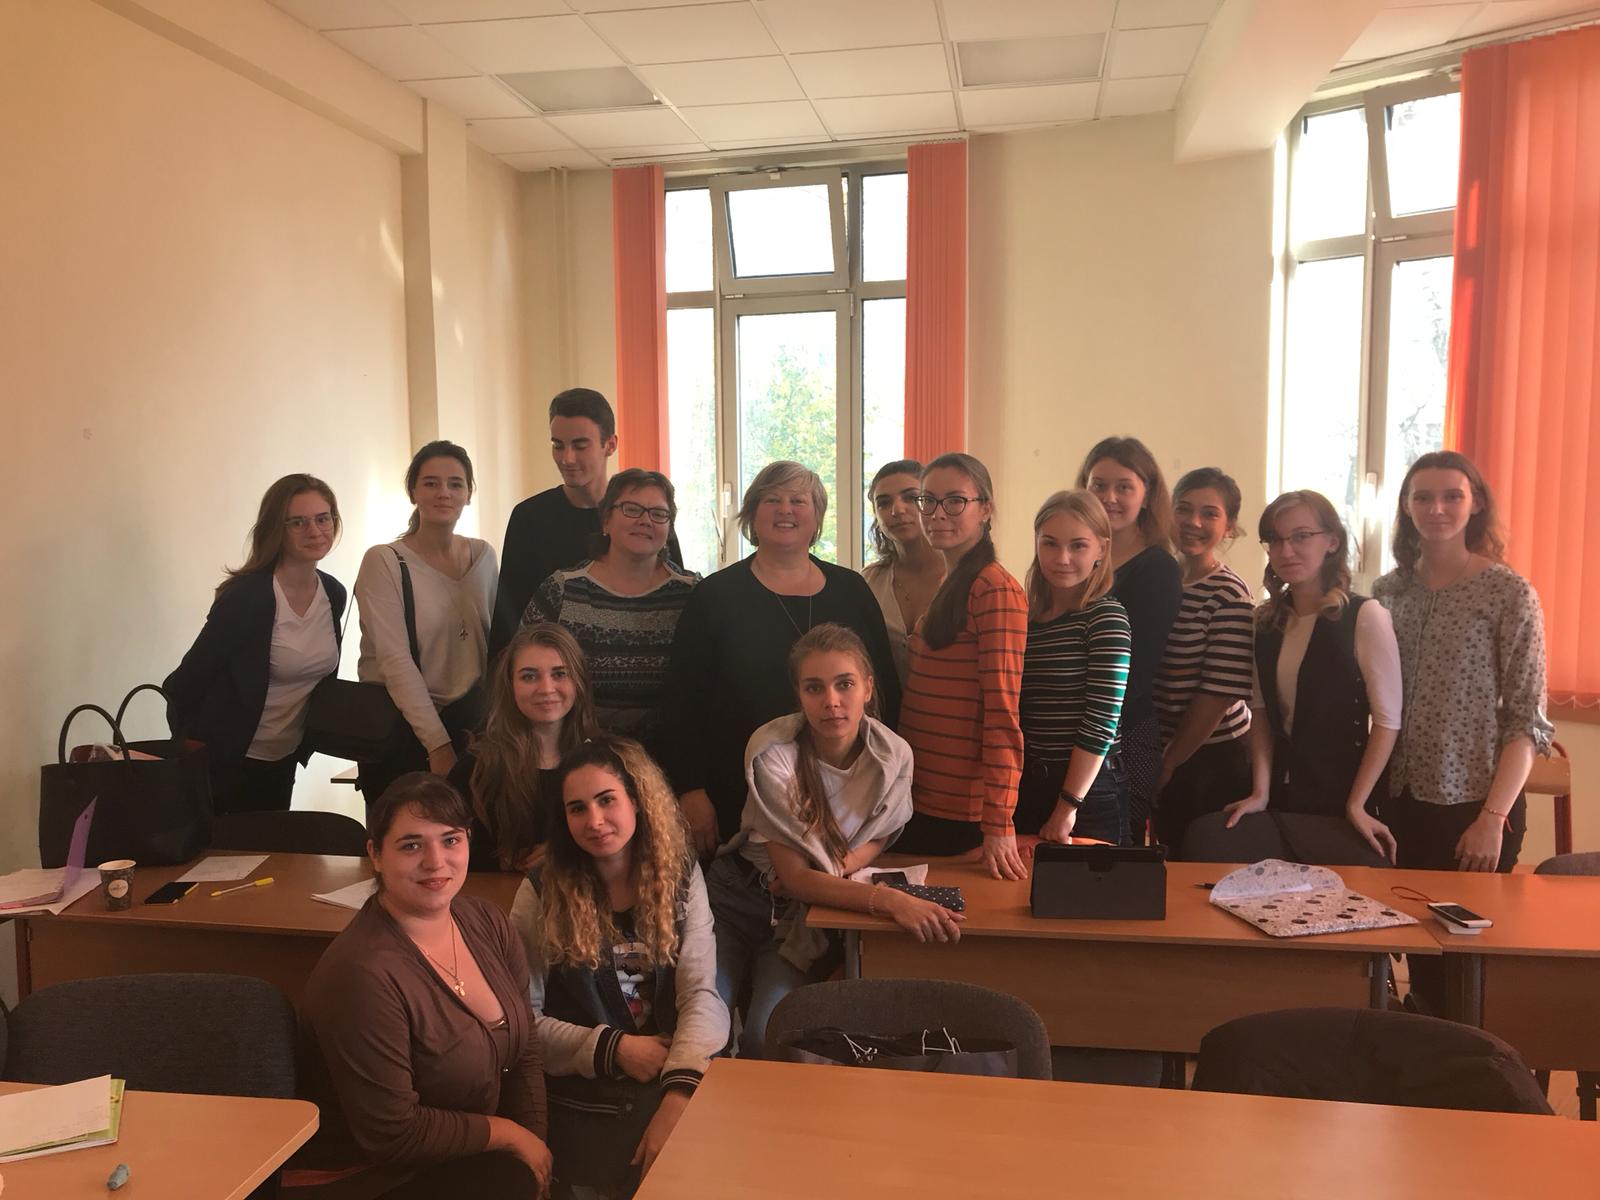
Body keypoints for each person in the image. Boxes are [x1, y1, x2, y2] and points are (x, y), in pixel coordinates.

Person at [294, 773, 551, 1199]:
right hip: (370, 1176)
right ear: (375, 854)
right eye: (411, 846)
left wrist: (533, 1147)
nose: (436, 861)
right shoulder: (361, 974)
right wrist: (510, 1136)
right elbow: (393, 1133)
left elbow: (524, 1051)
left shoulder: (487, 922)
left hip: (464, 1155)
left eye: (450, 840)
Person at [707, 624, 954, 1060]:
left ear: (868, 688)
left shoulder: (894, 755)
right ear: (799, 695)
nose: (831, 701)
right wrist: (889, 900)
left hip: (799, 918)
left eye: (845, 684)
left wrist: (840, 866)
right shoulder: (773, 752)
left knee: (767, 1038)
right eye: (814, 688)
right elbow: (796, 878)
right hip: (736, 900)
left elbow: (882, 832)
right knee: (705, 1032)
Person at [511, 737, 728, 1199]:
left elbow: (700, 993)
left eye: (607, 800)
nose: (594, 821)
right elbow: (522, 1022)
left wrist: (677, 1096)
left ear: (638, 800)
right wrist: (615, 1048)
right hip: (584, 1090)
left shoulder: (680, 875)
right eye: (577, 808)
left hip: (668, 1074)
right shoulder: (540, 890)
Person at [663, 461, 900, 852]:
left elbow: (884, 687)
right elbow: (682, 701)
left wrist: (884, 776)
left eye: (798, 500)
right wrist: (691, 789)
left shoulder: (852, 590)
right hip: (737, 791)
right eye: (771, 499)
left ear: (817, 517)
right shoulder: (715, 596)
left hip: (846, 791)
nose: (785, 509)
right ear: (752, 515)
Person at [1373, 452, 1553, 874]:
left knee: (1467, 919)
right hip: (1394, 799)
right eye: (1423, 497)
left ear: (1477, 503)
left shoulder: (1509, 593)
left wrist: (1492, 819)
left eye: (1452, 496)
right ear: (1406, 506)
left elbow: (1527, 719)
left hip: (1476, 804)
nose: (1436, 509)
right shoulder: (1387, 592)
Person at [1223, 491, 1401, 862]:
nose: (1286, 550)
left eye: (1301, 536)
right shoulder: (1265, 621)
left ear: (1332, 541)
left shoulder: (1365, 615)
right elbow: (1260, 712)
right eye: (1275, 540)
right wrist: (1260, 791)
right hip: (1282, 795)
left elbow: (1387, 722)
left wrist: (1357, 803)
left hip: (1343, 798)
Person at [165, 474, 346, 815]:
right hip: (227, 762)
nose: (314, 531)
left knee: (272, 847)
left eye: (323, 519)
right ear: (277, 529)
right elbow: (183, 684)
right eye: (298, 522)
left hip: (284, 757)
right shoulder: (248, 597)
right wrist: (198, 751)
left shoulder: (333, 593)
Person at [894, 453, 1028, 880]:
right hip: (922, 790)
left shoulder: (995, 589)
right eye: (928, 500)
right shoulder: (952, 581)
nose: (937, 513)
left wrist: (999, 823)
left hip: (957, 807)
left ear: (985, 509)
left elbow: (1002, 712)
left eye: (955, 501)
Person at [491, 390, 683, 662]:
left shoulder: (645, 520)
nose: (567, 458)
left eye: (580, 446)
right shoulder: (529, 517)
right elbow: (508, 618)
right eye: (558, 445)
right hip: (555, 677)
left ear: (610, 445)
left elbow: (675, 598)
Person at [355, 441, 496, 804]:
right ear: (413, 492)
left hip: (472, 728)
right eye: (431, 483)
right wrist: (438, 745)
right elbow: (394, 660)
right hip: (405, 731)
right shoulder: (384, 561)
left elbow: (492, 645)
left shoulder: (483, 556)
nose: (443, 493)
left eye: (455, 483)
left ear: (468, 493)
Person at [526, 469, 698, 758]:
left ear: (669, 529)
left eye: (659, 514)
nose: (645, 520)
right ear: (606, 519)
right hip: (575, 755)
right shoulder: (562, 589)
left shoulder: (692, 594)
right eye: (632, 509)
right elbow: (524, 670)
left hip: (670, 758)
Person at [1077, 437, 1182, 844]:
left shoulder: (1158, 568)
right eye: (1098, 485)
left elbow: (1135, 673)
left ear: (1147, 495)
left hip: (1124, 737)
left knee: (1115, 860)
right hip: (1074, 732)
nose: (1109, 497)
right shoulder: (1079, 559)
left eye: (1124, 487)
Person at [1016, 490, 1133, 846]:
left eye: (1078, 546)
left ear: (1102, 549)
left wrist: (1068, 806)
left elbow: (1102, 720)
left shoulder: (1106, 616)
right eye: (1050, 543)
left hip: (1088, 791)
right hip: (1030, 782)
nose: (1062, 558)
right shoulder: (1027, 618)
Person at [1151, 468, 1256, 850]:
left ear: (1229, 527)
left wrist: (1169, 762)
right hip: (1162, 747)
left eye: (1210, 513)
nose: (1193, 522)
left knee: (1198, 863)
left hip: (1210, 758)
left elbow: (1218, 694)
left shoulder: (1229, 594)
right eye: (1184, 508)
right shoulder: (1160, 576)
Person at [450, 623, 598, 873]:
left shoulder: (606, 761)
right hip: (497, 895)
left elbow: (635, 842)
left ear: (578, 682)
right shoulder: (474, 769)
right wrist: (503, 862)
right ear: (510, 685)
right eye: (529, 676)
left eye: (560, 674)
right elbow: (447, 849)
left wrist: (568, 851)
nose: (546, 689)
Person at [860, 459, 945, 686]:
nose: (897, 510)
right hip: (884, 707)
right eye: (884, 502)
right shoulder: (867, 582)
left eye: (910, 497)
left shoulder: (965, 578)